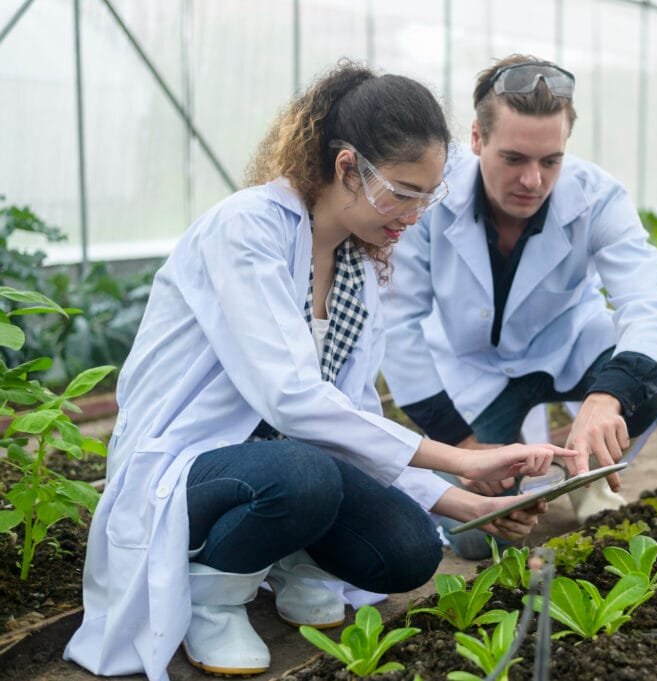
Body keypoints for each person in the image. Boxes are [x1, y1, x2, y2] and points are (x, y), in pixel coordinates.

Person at [63, 61, 580, 681]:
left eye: (429, 195)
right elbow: (290, 400)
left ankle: (285, 558)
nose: (415, 214)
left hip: (288, 468)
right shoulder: (248, 228)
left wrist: (465, 504)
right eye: (404, 191)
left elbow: (354, 419)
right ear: (346, 169)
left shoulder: (359, 267)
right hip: (195, 464)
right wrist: (460, 457)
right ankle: (213, 594)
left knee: (409, 550)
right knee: (306, 473)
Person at [381, 54, 657, 559]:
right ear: (477, 139)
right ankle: (536, 464)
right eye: (514, 158)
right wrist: (463, 445)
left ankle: (585, 471)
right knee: (480, 538)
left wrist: (606, 399)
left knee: (653, 373)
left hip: (568, 347)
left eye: (551, 161)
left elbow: (649, 305)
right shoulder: (432, 192)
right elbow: (396, 322)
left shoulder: (599, 198)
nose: (533, 181)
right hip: (473, 375)